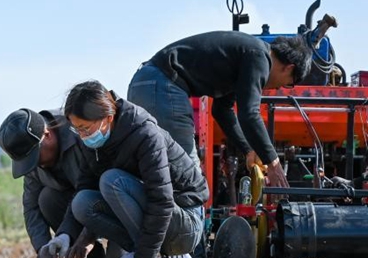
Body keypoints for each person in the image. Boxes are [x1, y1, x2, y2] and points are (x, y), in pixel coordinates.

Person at [127, 32, 312, 188]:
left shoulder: (243, 58)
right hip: (163, 85)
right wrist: (273, 161)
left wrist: (248, 150)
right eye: (288, 84)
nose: (277, 89)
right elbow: (249, 114)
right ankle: (191, 231)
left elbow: (222, 111)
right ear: (289, 68)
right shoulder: (259, 56)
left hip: (143, 83)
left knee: (154, 168)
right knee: (188, 176)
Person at [63, 81, 209, 258]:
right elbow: (84, 187)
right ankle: (161, 254)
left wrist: (143, 257)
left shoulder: (145, 133)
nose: (82, 136)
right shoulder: (94, 142)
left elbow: (162, 200)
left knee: (112, 181)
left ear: (107, 117)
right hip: (157, 219)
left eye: (85, 128)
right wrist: (65, 234)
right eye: (77, 129)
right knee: (82, 203)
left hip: (185, 219)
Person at [0, 108, 105, 258]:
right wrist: (42, 247)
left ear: (46, 135)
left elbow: (100, 188)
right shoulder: (34, 164)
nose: (35, 165)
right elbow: (31, 207)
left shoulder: (80, 131)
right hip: (75, 206)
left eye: (35, 157)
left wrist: (87, 237)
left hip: (106, 199)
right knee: (46, 199)